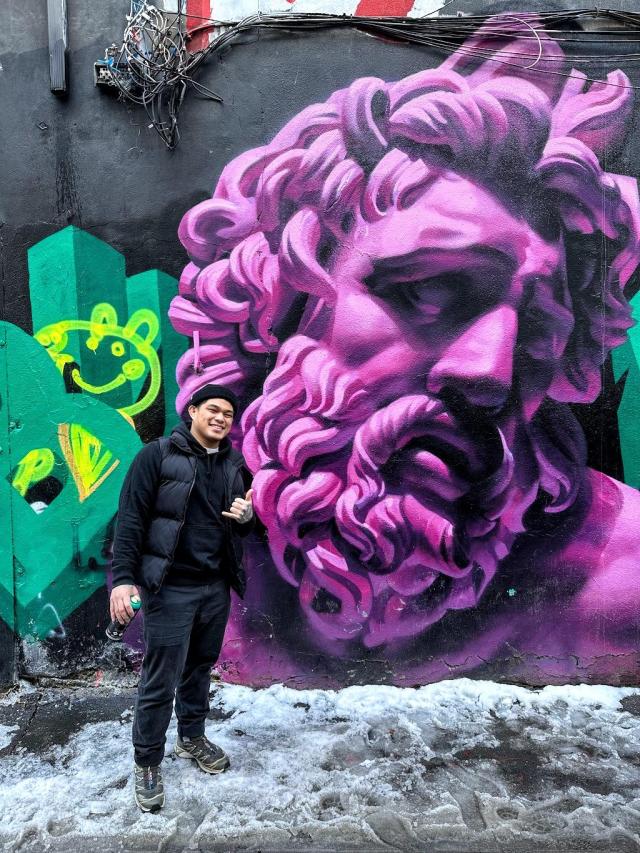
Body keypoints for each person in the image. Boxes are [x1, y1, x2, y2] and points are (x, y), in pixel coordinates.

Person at [168, 16, 640, 683]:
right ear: (281, 303)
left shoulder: (620, 589)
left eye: (537, 329)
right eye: (430, 290)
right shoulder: (180, 572)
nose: (490, 372)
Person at [110, 383, 254, 812]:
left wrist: (248, 518)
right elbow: (130, 519)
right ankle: (147, 761)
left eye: (228, 414)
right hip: (170, 588)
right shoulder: (155, 456)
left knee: (199, 668)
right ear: (192, 411)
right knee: (160, 679)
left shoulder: (234, 463)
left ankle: (192, 737)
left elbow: (245, 524)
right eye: (213, 409)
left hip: (215, 586)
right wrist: (123, 580)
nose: (221, 418)